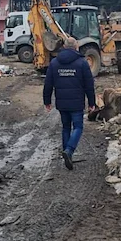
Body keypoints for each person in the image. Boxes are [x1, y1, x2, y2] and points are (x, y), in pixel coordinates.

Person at [43, 37, 96, 170]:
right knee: (78, 127)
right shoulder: (82, 63)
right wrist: (92, 103)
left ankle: (67, 155)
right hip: (77, 102)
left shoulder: (54, 63)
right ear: (76, 47)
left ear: (64, 47)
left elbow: (48, 84)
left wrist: (47, 101)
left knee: (66, 127)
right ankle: (69, 150)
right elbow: (89, 85)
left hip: (62, 102)